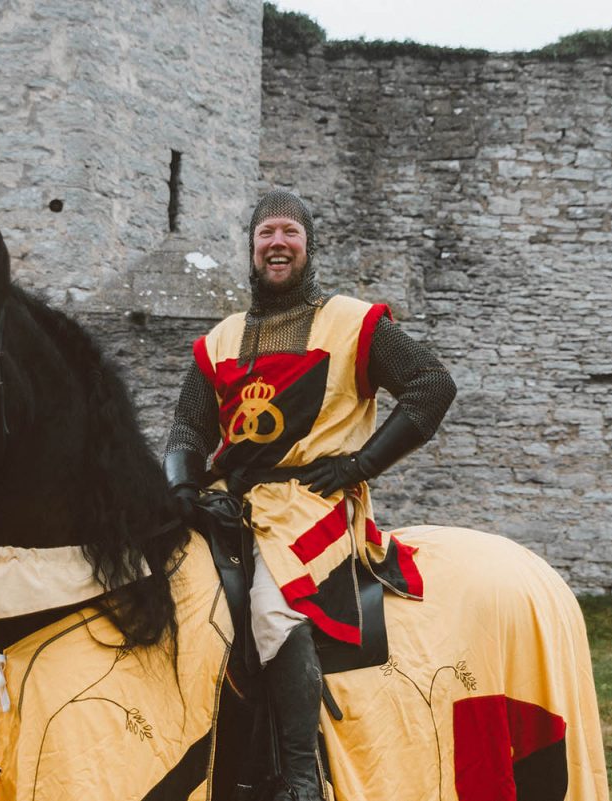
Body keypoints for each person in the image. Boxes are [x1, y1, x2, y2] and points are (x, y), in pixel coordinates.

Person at [163, 189, 456, 801]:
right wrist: (183, 488)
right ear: (251, 248)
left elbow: (431, 385)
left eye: (289, 233)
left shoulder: (352, 322)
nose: (277, 243)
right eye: (266, 233)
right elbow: (190, 427)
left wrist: (361, 463)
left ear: (307, 246)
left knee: (272, 611)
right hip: (232, 500)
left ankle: (301, 780)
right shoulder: (220, 340)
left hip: (311, 503)